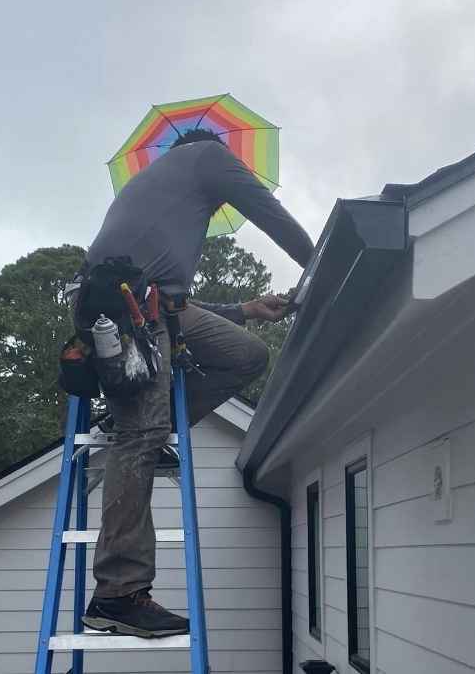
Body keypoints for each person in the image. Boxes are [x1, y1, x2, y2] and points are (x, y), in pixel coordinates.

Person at [80, 128, 314, 638]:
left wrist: (245, 310)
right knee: (138, 436)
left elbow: (178, 304)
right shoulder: (209, 155)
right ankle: (117, 594)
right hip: (126, 310)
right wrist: (319, 265)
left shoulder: (151, 187)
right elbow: (270, 213)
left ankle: (157, 427)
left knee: (245, 353)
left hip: (155, 306)